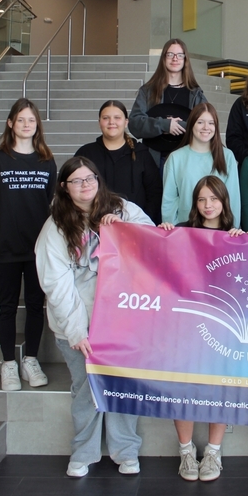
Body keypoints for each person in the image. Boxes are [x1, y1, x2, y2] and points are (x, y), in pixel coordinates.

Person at [35, 157, 154, 478]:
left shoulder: (121, 208)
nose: (86, 185)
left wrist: (124, 228)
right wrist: (77, 331)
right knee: (86, 391)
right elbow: (56, 285)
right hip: (77, 327)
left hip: (121, 323)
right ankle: (84, 452)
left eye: (90, 178)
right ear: (64, 187)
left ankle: (125, 450)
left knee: (122, 387)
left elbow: (153, 240)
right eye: (77, 180)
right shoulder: (56, 227)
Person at [158, 175, 243, 481]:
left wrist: (241, 242)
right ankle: (186, 453)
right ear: (195, 203)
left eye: (214, 199)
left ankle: (213, 454)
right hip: (185, 327)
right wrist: (163, 235)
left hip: (221, 327)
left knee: (219, 389)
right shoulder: (180, 232)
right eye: (202, 199)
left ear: (224, 201)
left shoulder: (236, 236)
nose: (208, 205)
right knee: (182, 390)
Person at [0, 98, 56, 392]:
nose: (25, 125)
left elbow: (52, 204)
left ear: (37, 126)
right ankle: (8, 363)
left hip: (38, 249)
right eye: (20, 120)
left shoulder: (46, 161)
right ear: (10, 123)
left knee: (35, 306)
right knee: (7, 307)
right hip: (4, 247)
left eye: (30, 120)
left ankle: (30, 360)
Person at [75, 99, 162, 223]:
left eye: (117, 118)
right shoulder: (85, 154)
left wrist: (142, 221)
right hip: (93, 226)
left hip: (133, 226)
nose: (111, 122)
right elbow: (74, 188)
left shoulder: (141, 153)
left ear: (126, 122)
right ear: (99, 122)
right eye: (106, 118)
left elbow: (154, 192)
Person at [129, 38, 207, 170]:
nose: (175, 59)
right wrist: (164, 125)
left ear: (185, 59)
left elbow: (206, 124)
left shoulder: (196, 94)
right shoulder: (147, 91)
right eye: (170, 54)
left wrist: (178, 125)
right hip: (155, 159)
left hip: (186, 160)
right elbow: (134, 123)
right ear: (163, 58)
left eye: (180, 55)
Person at [162, 103, 240, 226]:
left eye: (211, 123)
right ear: (191, 124)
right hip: (185, 231)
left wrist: (233, 229)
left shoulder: (227, 156)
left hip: (219, 232)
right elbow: (169, 200)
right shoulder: (175, 158)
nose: (205, 127)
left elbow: (233, 198)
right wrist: (173, 232)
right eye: (200, 122)